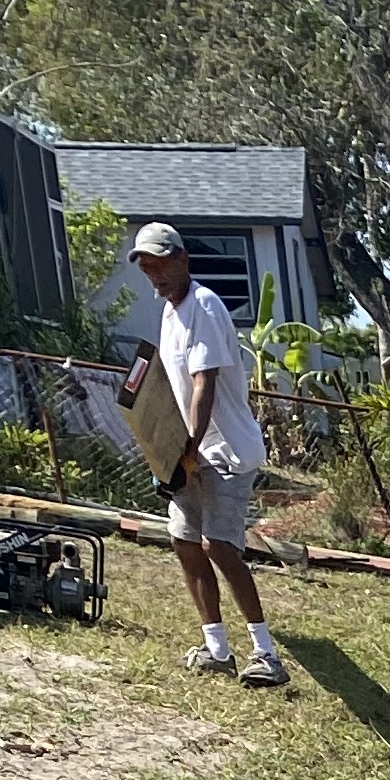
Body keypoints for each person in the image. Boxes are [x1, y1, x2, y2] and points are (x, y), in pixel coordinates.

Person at [131, 221, 285, 689]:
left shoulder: (204, 306)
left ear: (182, 259)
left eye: (161, 265)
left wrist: (188, 452)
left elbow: (204, 384)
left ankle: (267, 655)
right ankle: (217, 648)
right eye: (147, 268)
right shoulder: (169, 312)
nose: (155, 276)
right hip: (189, 451)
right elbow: (167, 386)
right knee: (183, 541)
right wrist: (166, 449)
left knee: (218, 545)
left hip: (225, 451)